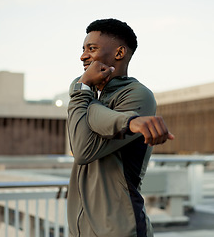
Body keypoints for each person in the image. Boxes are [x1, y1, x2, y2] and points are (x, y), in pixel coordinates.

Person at [67, 18, 174, 237]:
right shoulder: (84, 89)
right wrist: (127, 120)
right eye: (83, 49)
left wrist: (84, 93)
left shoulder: (138, 95)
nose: (83, 56)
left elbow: (82, 150)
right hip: (81, 230)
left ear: (119, 53)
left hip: (121, 229)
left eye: (92, 48)